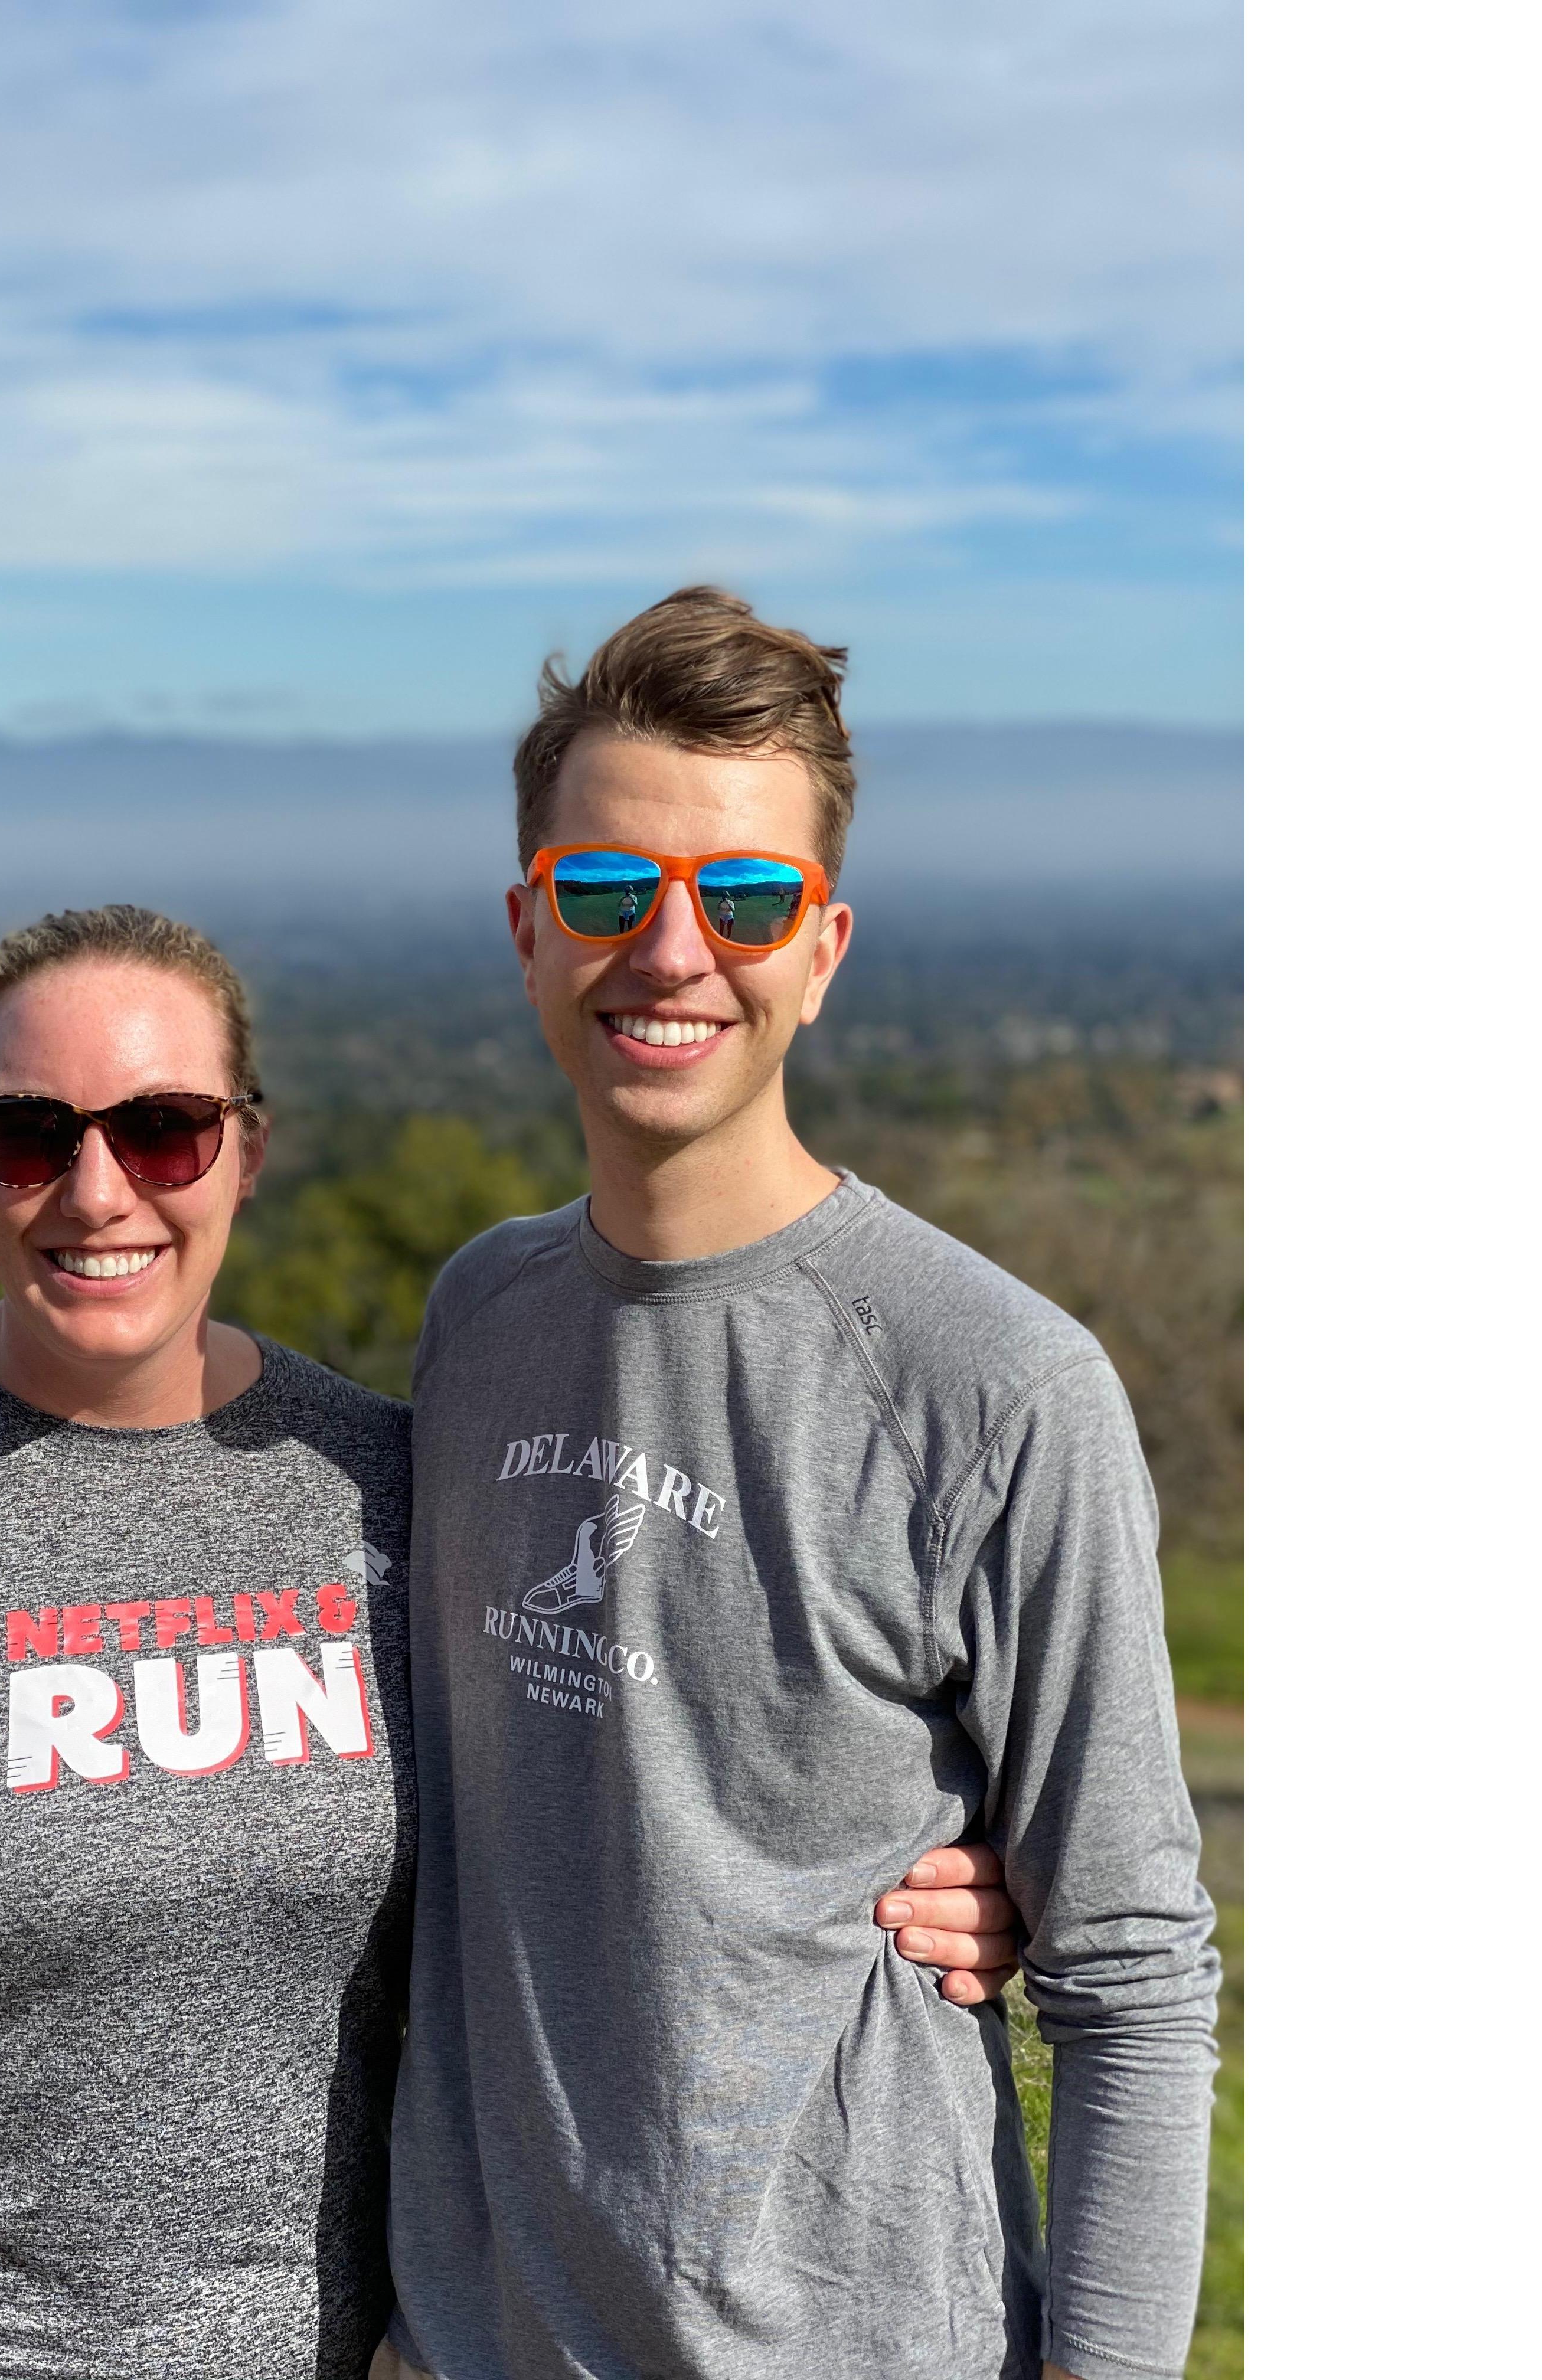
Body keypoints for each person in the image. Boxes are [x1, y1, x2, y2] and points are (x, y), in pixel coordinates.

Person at [0, 901, 1007, 2379]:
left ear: (248, 1150)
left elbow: (660, 1762)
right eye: (29, 1133)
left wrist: (947, 1872)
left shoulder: (400, 1485)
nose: (97, 1191)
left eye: (164, 1130)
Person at [381, 589, 1221, 2380]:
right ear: (531, 929)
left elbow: (1135, 1984)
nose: (672, 952)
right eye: (610, 890)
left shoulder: (995, 1384)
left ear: (823, 947)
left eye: (745, 898)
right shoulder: (482, 1316)